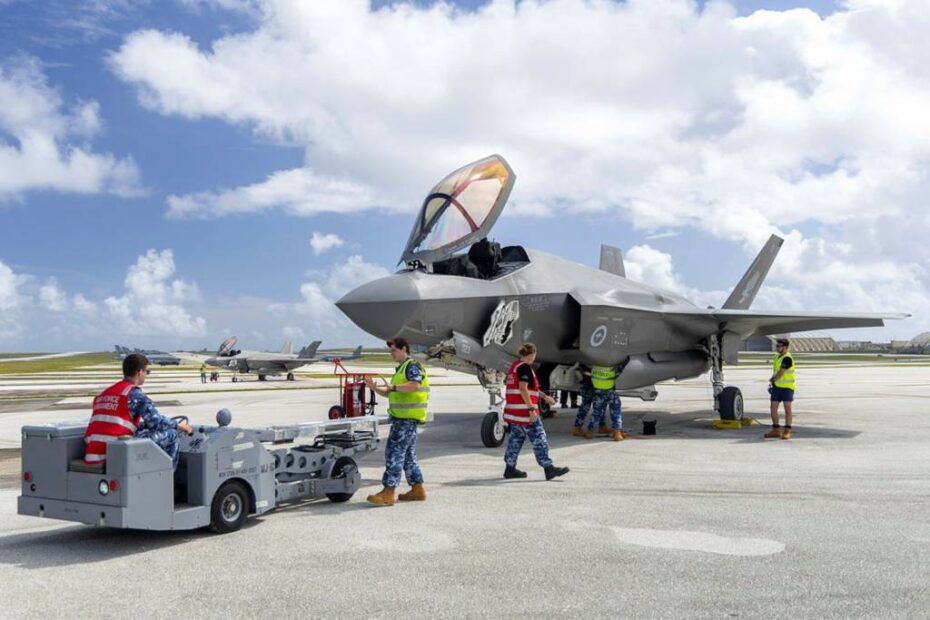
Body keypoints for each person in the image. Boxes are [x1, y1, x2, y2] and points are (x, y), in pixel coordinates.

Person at [84, 353, 193, 467]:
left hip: (94, 453)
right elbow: (156, 422)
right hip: (116, 451)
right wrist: (181, 426)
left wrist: (143, 425)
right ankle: (168, 478)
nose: (146, 375)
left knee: (143, 431)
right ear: (139, 371)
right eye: (147, 371)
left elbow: (116, 423)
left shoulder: (105, 393)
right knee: (173, 434)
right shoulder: (133, 393)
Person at [364, 337, 430, 506]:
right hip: (406, 419)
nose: (391, 354)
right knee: (408, 456)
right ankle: (417, 489)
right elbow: (392, 393)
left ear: (404, 349)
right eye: (390, 351)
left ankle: (388, 492)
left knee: (394, 454)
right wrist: (375, 388)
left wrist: (392, 387)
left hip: (405, 420)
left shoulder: (412, 366)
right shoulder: (401, 369)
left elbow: (414, 385)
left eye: (393, 350)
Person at [502, 343, 569, 481]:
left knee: (515, 440)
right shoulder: (525, 368)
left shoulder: (514, 367)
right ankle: (548, 468)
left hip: (515, 414)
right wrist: (531, 409)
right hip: (526, 413)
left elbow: (529, 388)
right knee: (539, 439)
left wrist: (545, 397)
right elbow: (523, 388)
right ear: (532, 355)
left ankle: (509, 469)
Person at [765, 338, 796, 440]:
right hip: (777, 387)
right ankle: (776, 430)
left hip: (787, 388)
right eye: (777, 346)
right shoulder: (777, 357)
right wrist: (773, 383)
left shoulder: (787, 358)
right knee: (773, 408)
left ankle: (787, 431)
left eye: (779, 346)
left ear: (785, 347)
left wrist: (772, 380)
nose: (777, 348)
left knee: (787, 409)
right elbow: (776, 371)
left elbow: (781, 372)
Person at [587, 363, 625, 441]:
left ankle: (590, 432)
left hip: (598, 393)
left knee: (596, 413)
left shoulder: (594, 367)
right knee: (616, 412)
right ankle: (617, 433)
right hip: (610, 392)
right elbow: (620, 371)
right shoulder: (611, 366)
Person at [571, 364, 595, 437]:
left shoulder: (585, 363)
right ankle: (579, 428)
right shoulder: (591, 363)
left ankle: (577, 428)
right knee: (597, 408)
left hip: (586, 386)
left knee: (585, 408)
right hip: (590, 386)